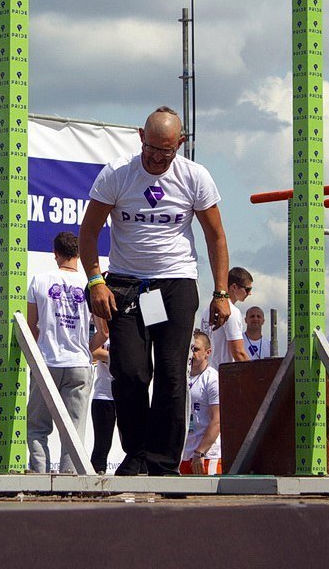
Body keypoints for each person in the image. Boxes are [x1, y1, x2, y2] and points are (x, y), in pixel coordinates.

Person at [79, 106, 231, 477]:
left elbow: (216, 236)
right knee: (130, 372)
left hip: (175, 283)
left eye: (166, 151)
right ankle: (136, 452)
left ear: (180, 143)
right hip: (127, 285)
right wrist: (96, 280)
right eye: (150, 148)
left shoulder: (195, 177)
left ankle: (163, 462)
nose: (157, 157)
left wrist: (221, 292)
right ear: (140, 137)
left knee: (170, 373)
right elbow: (88, 231)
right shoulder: (117, 174)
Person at [25, 231, 96, 473]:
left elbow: (30, 327)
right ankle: (69, 479)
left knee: (37, 427)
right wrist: (87, 350)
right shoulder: (89, 285)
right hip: (79, 363)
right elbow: (105, 332)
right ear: (78, 253)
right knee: (74, 430)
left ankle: (39, 475)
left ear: (55, 254)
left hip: (47, 361)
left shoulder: (40, 280)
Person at [181, 330, 221, 475]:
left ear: (207, 352)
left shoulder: (212, 379)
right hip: (184, 454)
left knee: (206, 497)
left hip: (206, 456)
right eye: (190, 349)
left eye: (196, 349)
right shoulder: (182, 376)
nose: (192, 354)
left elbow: (217, 420)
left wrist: (200, 452)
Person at [200, 266, 251, 368]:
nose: (250, 293)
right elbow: (238, 353)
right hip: (223, 376)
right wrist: (254, 375)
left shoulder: (207, 310)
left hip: (206, 374)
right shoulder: (233, 312)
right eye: (247, 289)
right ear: (234, 287)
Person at [89, 336, 115, 474]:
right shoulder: (103, 334)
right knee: (101, 445)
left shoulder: (132, 332)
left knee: (135, 446)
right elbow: (93, 351)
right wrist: (118, 355)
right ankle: (95, 486)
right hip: (104, 395)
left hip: (127, 396)